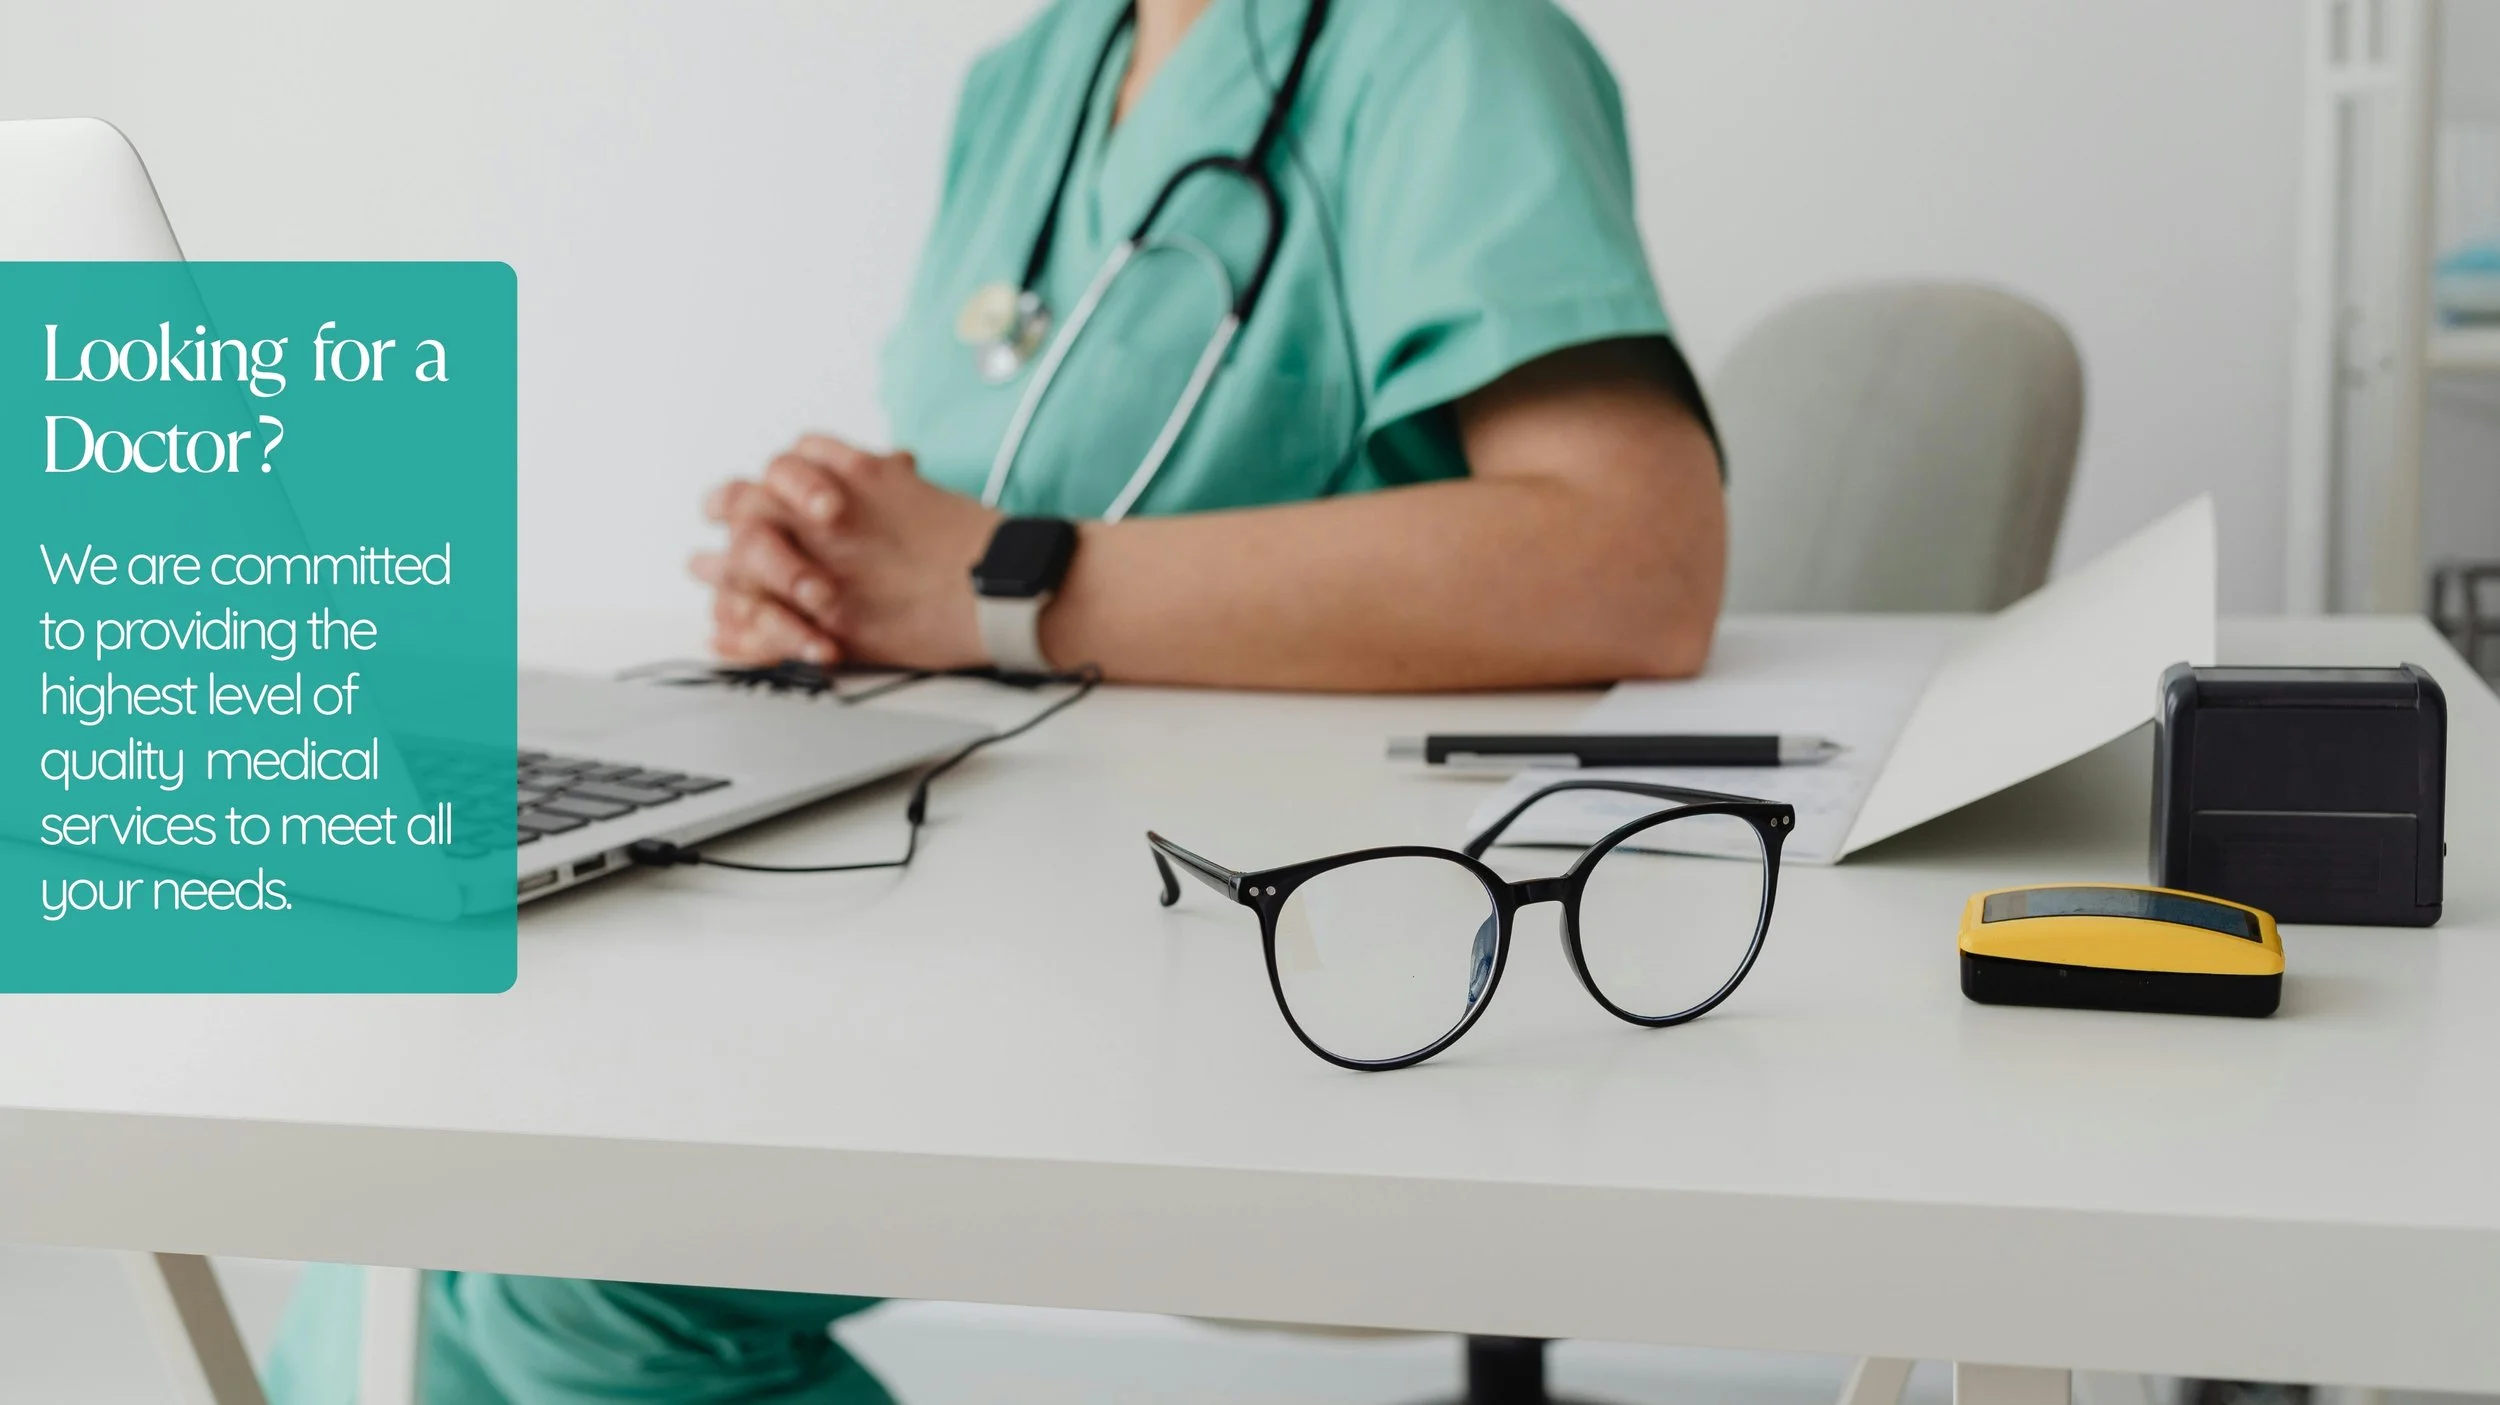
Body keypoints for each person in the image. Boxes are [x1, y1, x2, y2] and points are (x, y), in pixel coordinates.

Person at [270, 0, 1725, 1399]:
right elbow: (1000, 505)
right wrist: (839, 587)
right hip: (997, 887)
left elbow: (1635, 566)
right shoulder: (1035, 74)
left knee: (571, 1273)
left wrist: (988, 579)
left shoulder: (1452, 42)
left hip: (1276, 952)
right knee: (421, 1206)